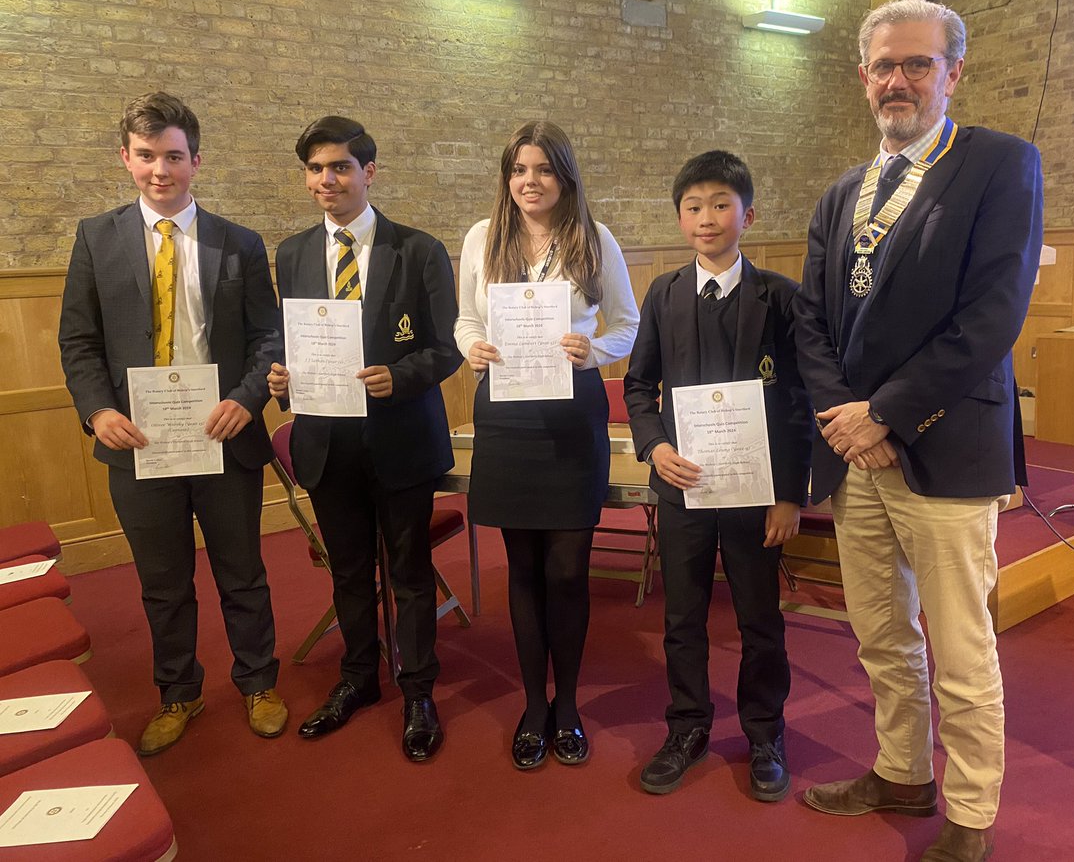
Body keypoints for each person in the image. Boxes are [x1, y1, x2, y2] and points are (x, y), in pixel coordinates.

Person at [793, 0, 1043, 861]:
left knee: (962, 647)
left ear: (952, 73)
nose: (898, 80)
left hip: (945, 448)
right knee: (881, 635)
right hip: (857, 458)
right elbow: (810, 325)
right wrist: (848, 424)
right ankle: (901, 771)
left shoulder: (999, 164)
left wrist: (887, 413)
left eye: (918, 65)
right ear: (863, 78)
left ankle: (971, 814)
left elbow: (992, 316)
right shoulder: (838, 197)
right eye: (883, 66)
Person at [58, 92, 287, 755]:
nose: (161, 170)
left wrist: (248, 398)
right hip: (140, 444)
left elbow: (266, 338)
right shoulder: (95, 239)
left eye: (174, 156)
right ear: (125, 158)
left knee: (242, 572)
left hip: (224, 435)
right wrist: (98, 410)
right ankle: (178, 693)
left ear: (196, 160)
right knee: (162, 584)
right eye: (147, 156)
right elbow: (78, 342)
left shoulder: (237, 242)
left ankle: (258, 683)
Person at [268, 116, 461, 761]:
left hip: (401, 438)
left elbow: (448, 348)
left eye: (341, 167)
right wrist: (283, 382)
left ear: (368, 173)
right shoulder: (292, 253)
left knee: (407, 572)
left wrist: (399, 376)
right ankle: (356, 680)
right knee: (349, 573)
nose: (328, 179)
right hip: (326, 442)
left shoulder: (419, 249)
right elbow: (292, 342)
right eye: (316, 169)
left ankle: (418, 692)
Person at [624, 150, 813, 801]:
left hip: (757, 496)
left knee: (761, 619)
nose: (707, 218)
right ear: (681, 218)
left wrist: (790, 494)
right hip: (684, 489)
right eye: (694, 207)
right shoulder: (664, 293)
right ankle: (687, 728)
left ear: (748, 214)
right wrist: (652, 447)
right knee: (684, 617)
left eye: (721, 204)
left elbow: (798, 403)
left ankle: (765, 732)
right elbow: (639, 384)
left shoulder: (781, 298)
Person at [454, 121, 639, 769]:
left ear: (564, 176)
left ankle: (570, 705)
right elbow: (466, 319)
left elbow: (628, 326)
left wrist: (596, 351)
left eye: (543, 170)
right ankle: (536, 703)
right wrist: (468, 347)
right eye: (519, 170)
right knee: (524, 571)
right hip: (505, 416)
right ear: (508, 177)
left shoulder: (595, 238)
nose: (530, 182)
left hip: (570, 416)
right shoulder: (483, 236)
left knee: (566, 570)